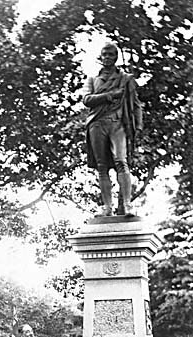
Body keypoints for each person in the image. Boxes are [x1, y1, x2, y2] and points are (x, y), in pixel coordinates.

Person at [83, 42, 143, 217]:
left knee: (121, 161)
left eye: (111, 54)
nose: (107, 57)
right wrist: (109, 96)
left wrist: (138, 126)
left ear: (116, 57)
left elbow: (137, 104)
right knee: (102, 167)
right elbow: (87, 99)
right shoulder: (92, 79)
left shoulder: (126, 79)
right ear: (100, 57)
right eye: (104, 54)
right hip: (97, 123)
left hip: (118, 124)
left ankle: (127, 204)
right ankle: (107, 207)